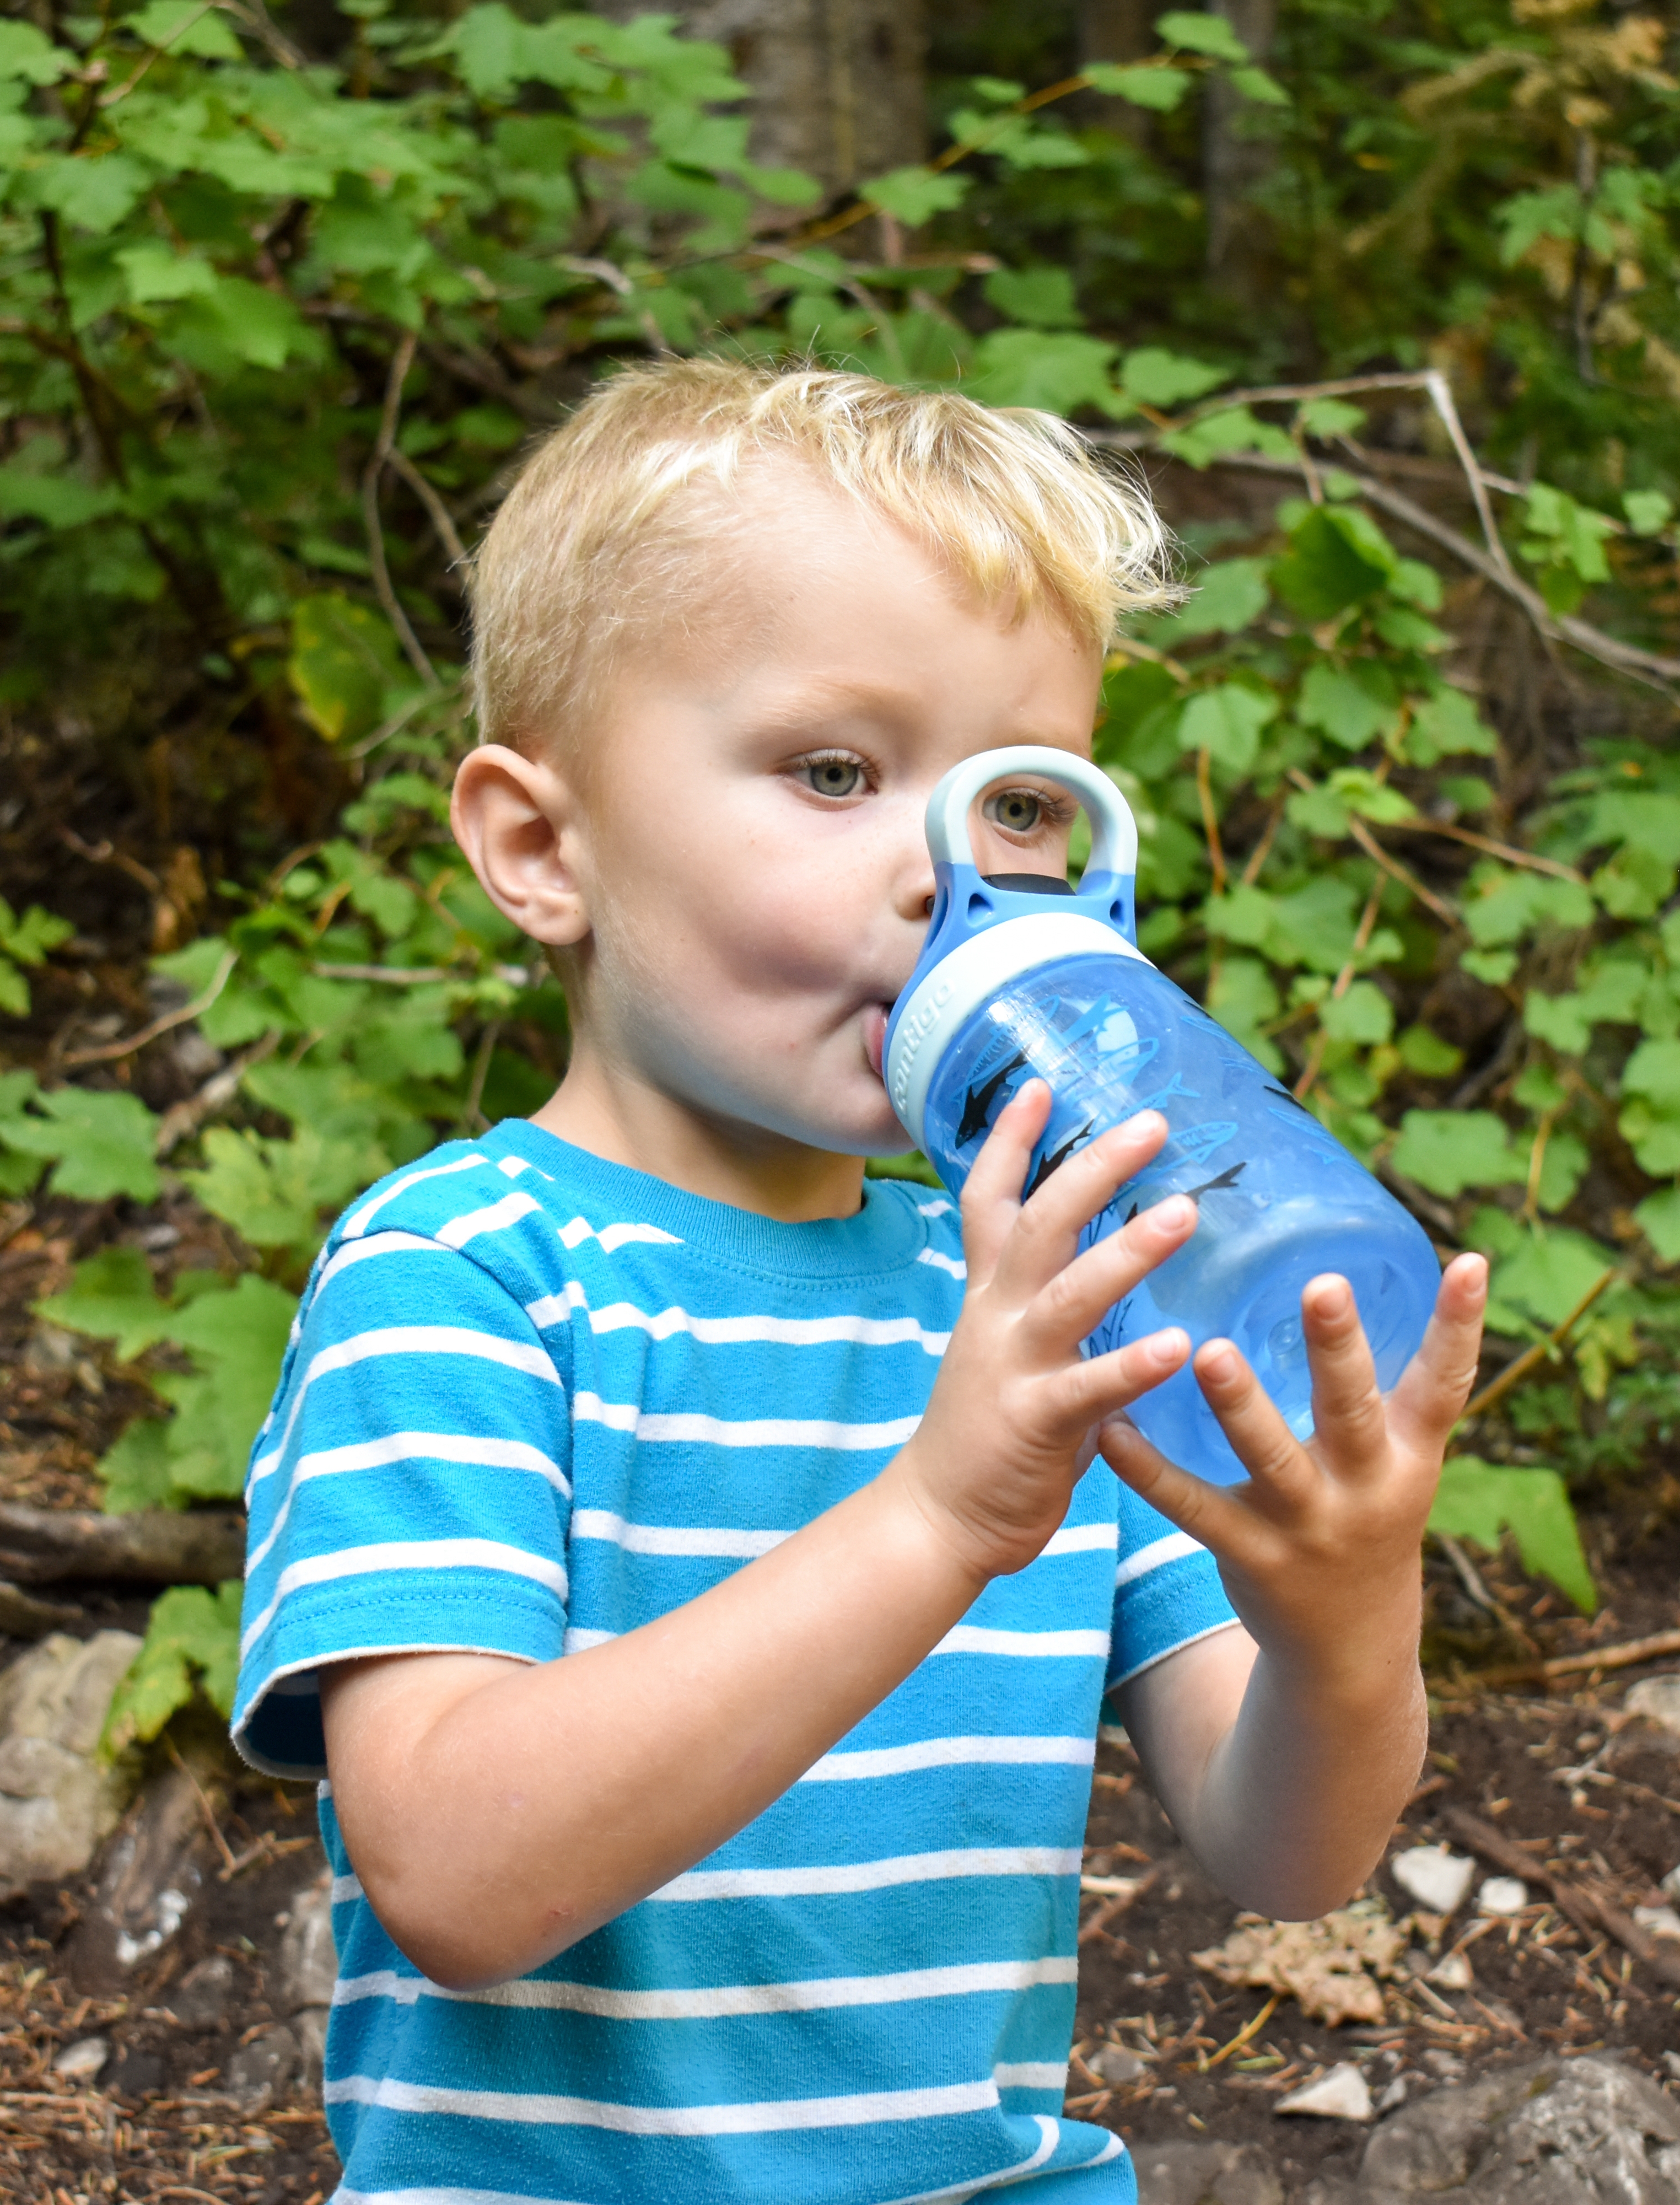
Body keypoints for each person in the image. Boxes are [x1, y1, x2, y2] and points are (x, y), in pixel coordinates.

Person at [229, 357, 1491, 2202]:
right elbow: (456, 1881)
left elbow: (1289, 1853)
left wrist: (1347, 1613)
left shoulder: (1049, 1289)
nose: (945, 880)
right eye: (835, 772)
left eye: (1017, 811)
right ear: (540, 848)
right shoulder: (468, 1284)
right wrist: (933, 1517)